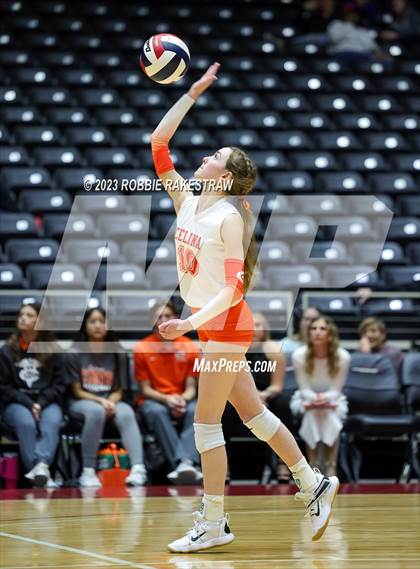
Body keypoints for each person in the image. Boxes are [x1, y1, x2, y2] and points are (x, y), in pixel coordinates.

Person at [150, 62, 339, 553]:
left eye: (215, 156)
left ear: (227, 177)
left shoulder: (229, 218)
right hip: (212, 327)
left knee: (205, 424)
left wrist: (188, 321)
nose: (205, 157)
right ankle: (312, 482)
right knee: (253, 415)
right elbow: (158, 142)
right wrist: (190, 93)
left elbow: (235, 287)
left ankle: (214, 523)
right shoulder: (188, 200)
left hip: (227, 326)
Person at [65, 307, 147, 488]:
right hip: (82, 401)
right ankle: (88, 471)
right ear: (85, 326)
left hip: (111, 400)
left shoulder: (118, 353)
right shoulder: (73, 352)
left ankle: (138, 469)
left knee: (126, 413)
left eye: (101, 321)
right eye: (92, 321)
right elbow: (76, 390)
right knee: (96, 412)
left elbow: (119, 389)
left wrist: (111, 401)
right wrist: (101, 401)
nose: (97, 325)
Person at [134, 301, 202, 484]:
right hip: (154, 400)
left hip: (182, 398)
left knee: (196, 410)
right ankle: (184, 463)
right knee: (156, 412)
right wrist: (168, 400)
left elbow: (191, 389)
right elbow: (145, 390)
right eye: (159, 316)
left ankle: (184, 463)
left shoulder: (190, 347)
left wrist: (180, 400)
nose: (163, 320)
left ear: (176, 319)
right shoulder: (142, 348)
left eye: (168, 316)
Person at [0, 303, 65, 487]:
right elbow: (3, 387)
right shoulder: (6, 351)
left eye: (29, 315)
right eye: (21, 314)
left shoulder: (53, 350)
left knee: (51, 421)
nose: (23, 318)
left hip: (47, 402)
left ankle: (40, 468)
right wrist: (30, 403)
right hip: (16, 402)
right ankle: (39, 469)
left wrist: (41, 403)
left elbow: (59, 385)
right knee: (26, 422)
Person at [291, 315, 350, 477]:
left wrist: (325, 399)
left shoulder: (343, 356)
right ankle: (314, 464)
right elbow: (303, 388)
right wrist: (314, 399)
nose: (317, 332)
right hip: (305, 398)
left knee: (329, 413)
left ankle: (331, 464)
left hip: (333, 399)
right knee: (312, 412)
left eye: (322, 328)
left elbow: (336, 389)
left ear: (330, 333)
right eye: (313, 328)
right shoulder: (299, 355)